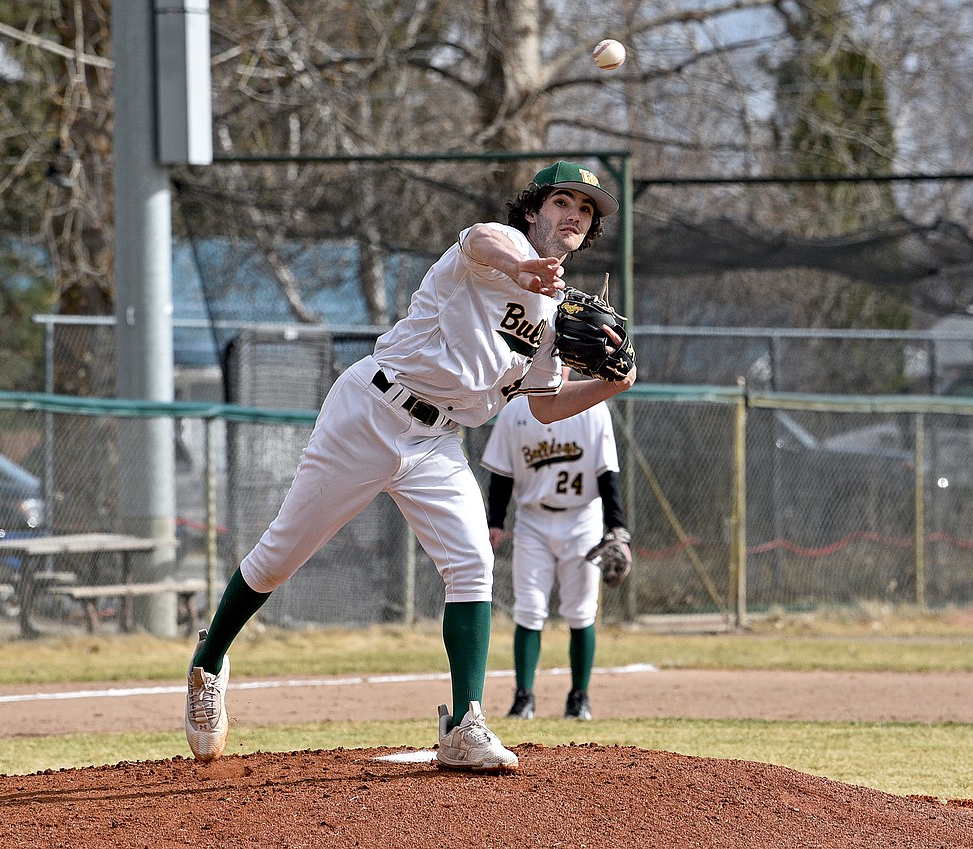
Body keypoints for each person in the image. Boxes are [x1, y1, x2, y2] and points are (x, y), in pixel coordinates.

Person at [184, 161, 635, 773]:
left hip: (437, 441)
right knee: (280, 555)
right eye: (563, 202)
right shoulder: (489, 250)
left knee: (473, 560)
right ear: (532, 211)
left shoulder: (558, 321)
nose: (574, 216)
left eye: (585, 212)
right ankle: (209, 664)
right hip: (370, 411)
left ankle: (466, 723)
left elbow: (547, 405)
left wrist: (612, 385)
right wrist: (523, 267)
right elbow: (483, 241)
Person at [480, 370, 628, 721]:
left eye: (561, 360)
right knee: (529, 609)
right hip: (532, 520)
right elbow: (502, 472)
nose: (556, 366)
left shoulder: (591, 406)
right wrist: (495, 522)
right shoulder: (516, 409)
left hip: (583, 519)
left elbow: (608, 473)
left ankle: (579, 698)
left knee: (581, 611)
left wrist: (618, 528)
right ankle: (524, 697)